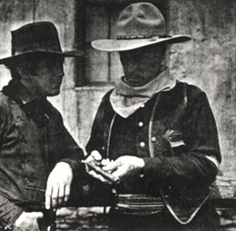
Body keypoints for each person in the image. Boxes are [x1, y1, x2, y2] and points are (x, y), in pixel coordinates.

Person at [84, 3, 221, 231]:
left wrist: (143, 165)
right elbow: (95, 150)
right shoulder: (110, 103)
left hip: (182, 223)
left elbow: (207, 164)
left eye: (140, 57)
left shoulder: (189, 99)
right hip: (124, 223)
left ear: (160, 53)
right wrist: (94, 161)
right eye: (125, 57)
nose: (131, 67)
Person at [0, 22, 84, 231]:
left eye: (61, 65)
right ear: (24, 69)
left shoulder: (50, 114)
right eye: (50, 66)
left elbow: (76, 155)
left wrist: (65, 166)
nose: (61, 74)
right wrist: (14, 217)